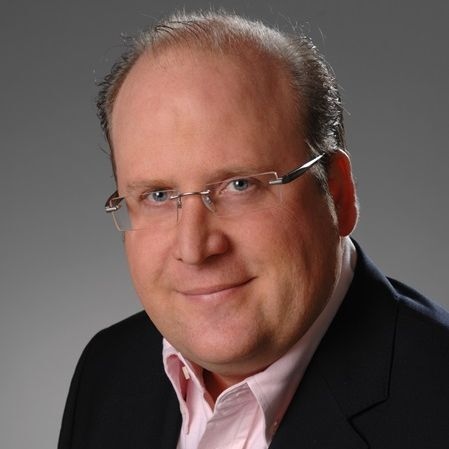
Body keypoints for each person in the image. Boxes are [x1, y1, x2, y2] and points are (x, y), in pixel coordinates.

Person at [58, 11, 449, 449]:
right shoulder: (108, 371)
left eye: (239, 185)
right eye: (159, 195)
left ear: (337, 194)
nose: (194, 248)